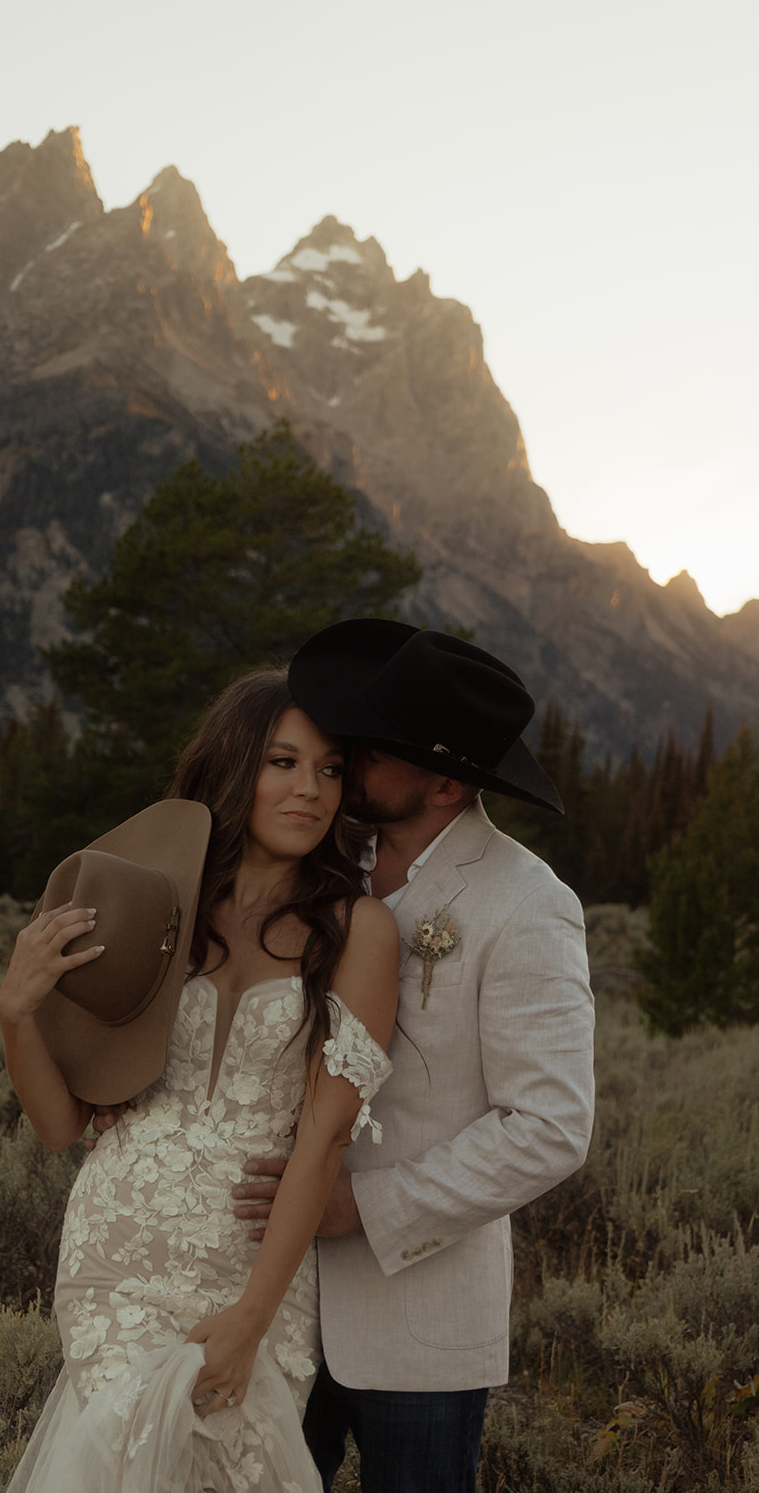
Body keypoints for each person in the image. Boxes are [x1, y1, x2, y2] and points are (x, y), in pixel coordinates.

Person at [0, 667, 401, 1493]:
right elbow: (60, 1125)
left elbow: (322, 1138)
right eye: (282, 763)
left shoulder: (358, 927)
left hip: (251, 1265)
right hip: (117, 1254)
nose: (309, 790)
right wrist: (17, 1012)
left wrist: (253, 1315)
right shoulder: (160, 910)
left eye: (329, 770)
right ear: (234, 767)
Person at [233, 622, 596, 1493]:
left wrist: (362, 1207)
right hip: (270, 1298)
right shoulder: (322, 863)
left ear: (442, 779)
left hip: (419, 1326)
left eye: (372, 747)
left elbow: (551, 1128)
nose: (343, 756)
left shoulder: (526, 902)